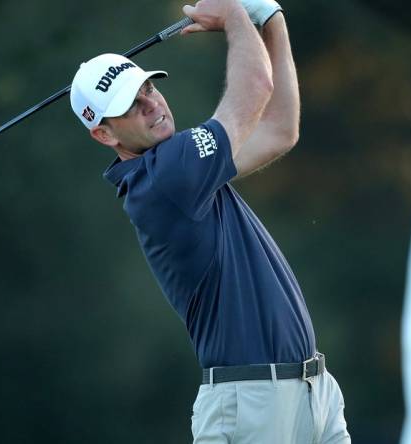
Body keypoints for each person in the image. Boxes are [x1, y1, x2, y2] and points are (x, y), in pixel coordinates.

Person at [69, 0, 350, 442]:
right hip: (252, 401)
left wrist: (271, 20)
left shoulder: (183, 169)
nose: (151, 105)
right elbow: (254, 87)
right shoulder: (166, 176)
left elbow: (279, 128)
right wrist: (236, 16)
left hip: (312, 391)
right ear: (104, 134)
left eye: (148, 89)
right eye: (130, 105)